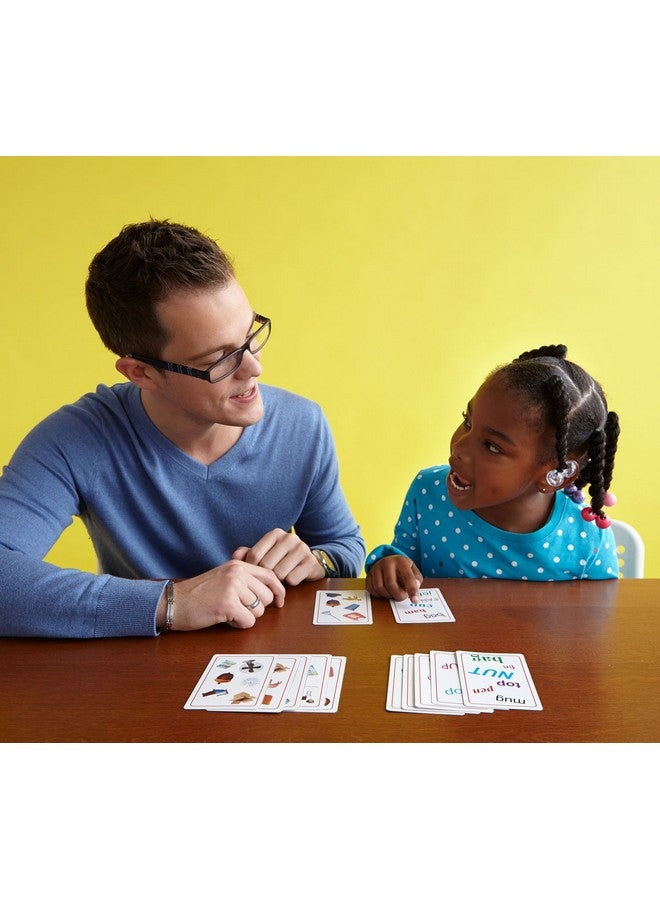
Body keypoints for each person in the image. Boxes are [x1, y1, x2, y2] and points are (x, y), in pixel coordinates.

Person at [0, 219, 365, 638]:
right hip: (138, 675)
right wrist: (173, 602)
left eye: (250, 335)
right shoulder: (74, 439)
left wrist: (315, 561)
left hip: (265, 660)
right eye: (218, 358)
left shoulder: (304, 424)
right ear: (142, 372)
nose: (254, 368)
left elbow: (346, 549)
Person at [365, 344, 621, 601]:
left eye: (492, 446)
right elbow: (401, 566)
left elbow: (597, 624)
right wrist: (388, 567)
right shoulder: (428, 492)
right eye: (467, 421)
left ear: (556, 474)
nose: (459, 448)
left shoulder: (587, 539)